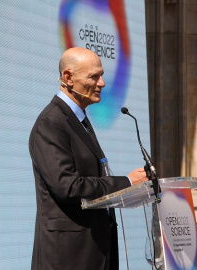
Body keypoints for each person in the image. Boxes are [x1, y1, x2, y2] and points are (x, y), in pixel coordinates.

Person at [29, 47, 148, 270]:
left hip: (95, 251)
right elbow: (67, 187)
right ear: (68, 77)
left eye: (101, 75)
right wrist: (127, 182)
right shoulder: (51, 123)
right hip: (68, 257)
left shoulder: (78, 119)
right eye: (94, 76)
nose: (102, 83)